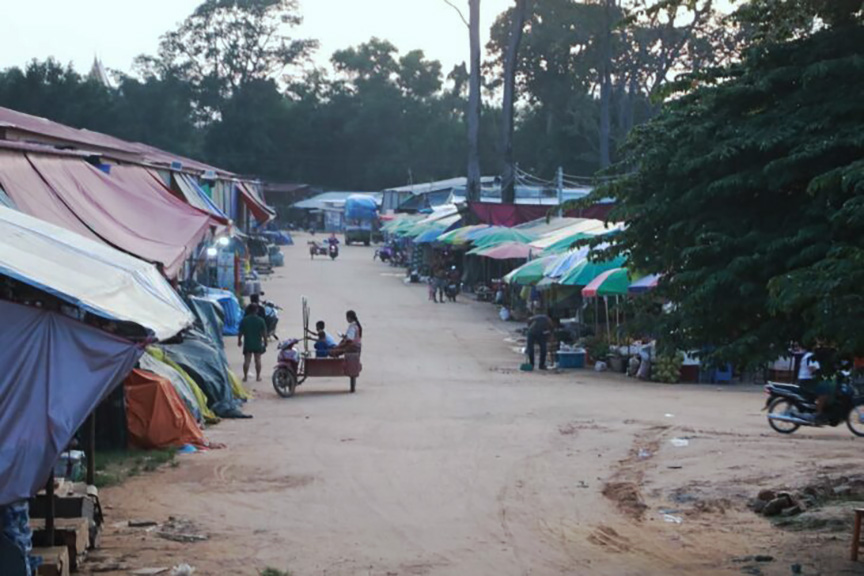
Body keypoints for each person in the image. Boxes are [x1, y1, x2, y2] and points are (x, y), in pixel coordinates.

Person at [238, 303, 268, 382]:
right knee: (258, 360)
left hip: (248, 343)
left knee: (247, 360)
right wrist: (265, 342)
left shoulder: (244, 320)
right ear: (256, 310)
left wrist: (239, 340)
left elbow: (240, 332)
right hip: (257, 343)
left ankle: (245, 377)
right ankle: (258, 377)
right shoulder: (261, 320)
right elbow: (264, 333)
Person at [797, 346, 827, 422]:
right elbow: (812, 368)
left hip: (807, 380)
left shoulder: (808, 355)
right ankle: (818, 414)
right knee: (824, 393)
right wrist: (821, 374)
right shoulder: (811, 356)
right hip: (807, 381)